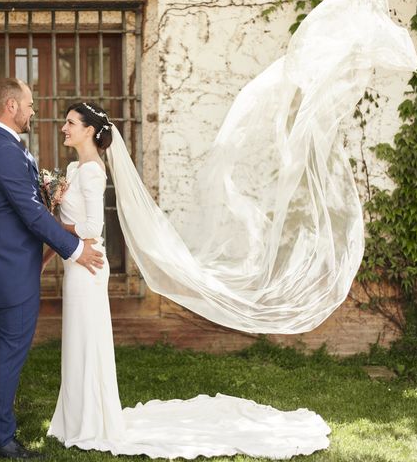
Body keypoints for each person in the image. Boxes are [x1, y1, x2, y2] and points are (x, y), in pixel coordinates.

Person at [44, 102, 331, 459]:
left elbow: (91, 228)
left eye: (70, 123)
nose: (63, 128)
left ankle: (91, 423)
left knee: (87, 342)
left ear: (89, 130)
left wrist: (54, 227)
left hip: (88, 268)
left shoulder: (91, 171)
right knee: (78, 342)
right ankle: (75, 419)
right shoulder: (74, 167)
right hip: (78, 266)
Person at [0, 78, 104, 460]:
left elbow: (16, 203)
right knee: (9, 348)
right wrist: (75, 249)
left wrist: (48, 195)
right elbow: (29, 213)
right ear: (10, 106)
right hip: (10, 265)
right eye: (28, 104)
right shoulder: (4, 150)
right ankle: (1, 439)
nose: (32, 111)